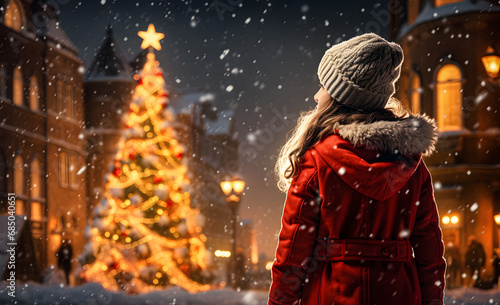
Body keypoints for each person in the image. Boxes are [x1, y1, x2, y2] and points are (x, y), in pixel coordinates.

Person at [268, 33, 446, 305]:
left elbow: (292, 255)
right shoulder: (412, 165)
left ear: (342, 98)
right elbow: (430, 256)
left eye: (324, 87)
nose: (317, 96)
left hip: (329, 296)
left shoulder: (316, 161)